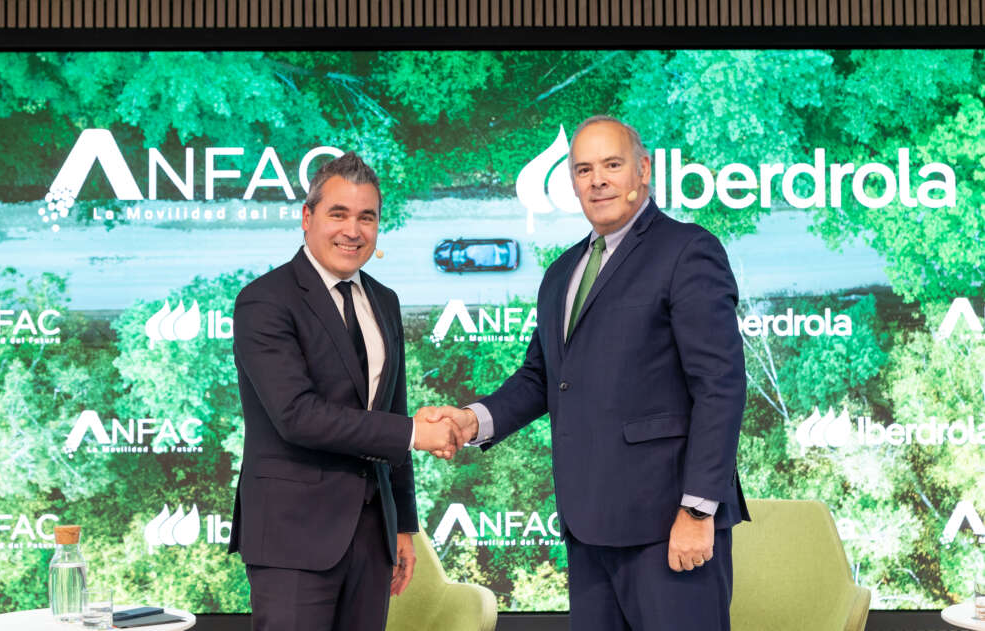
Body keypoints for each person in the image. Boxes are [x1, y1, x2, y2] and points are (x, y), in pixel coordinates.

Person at [425, 115, 750, 631]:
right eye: (583, 169)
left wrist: (697, 510)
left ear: (643, 170)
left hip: (668, 526)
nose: (597, 180)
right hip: (588, 528)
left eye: (612, 165)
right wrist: (472, 420)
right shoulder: (562, 273)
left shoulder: (687, 250)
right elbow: (541, 378)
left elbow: (721, 386)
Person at [228, 152, 460, 631]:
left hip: (372, 537)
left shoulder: (385, 301)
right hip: (293, 539)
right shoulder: (264, 300)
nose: (352, 231)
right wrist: (414, 433)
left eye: (366, 217)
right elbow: (297, 416)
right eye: (338, 214)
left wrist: (403, 525)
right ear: (307, 217)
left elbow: (391, 410)